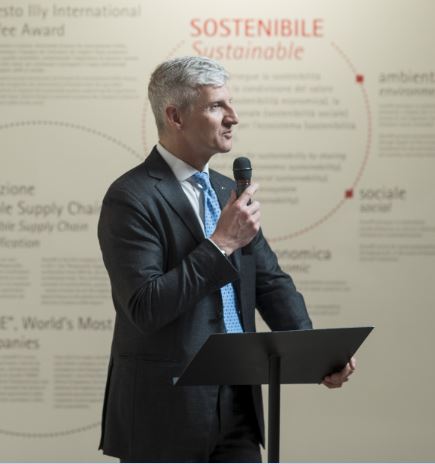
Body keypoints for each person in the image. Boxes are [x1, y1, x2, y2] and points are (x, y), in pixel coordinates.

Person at [97, 56, 356, 463]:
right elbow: (146, 306)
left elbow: (269, 281)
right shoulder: (131, 197)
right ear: (175, 116)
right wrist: (220, 244)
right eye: (217, 106)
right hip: (165, 413)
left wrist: (316, 354)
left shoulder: (226, 190)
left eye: (230, 104)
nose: (233, 117)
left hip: (239, 403)